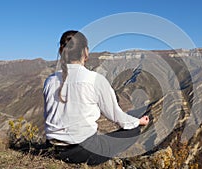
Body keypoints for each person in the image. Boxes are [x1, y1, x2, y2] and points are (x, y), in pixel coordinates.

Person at [43, 30, 149, 165]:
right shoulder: (95, 80)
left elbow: (48, 116)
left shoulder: (50, 80)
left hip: (52, 148)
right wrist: (139, 122)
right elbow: (117, 117)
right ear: (85, 52)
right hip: (82, 151)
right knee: (133, 131)